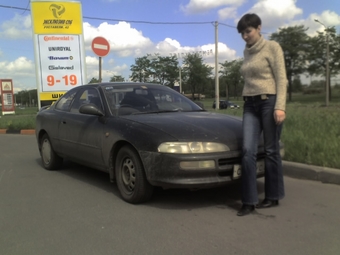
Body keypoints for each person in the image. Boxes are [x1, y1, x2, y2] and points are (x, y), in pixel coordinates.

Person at [236, 13, 287, 216]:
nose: (245, 36)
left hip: (269, 102)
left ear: (259, 28)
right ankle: (249, 201)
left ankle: (273, 196)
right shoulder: (246, 52)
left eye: (248, 31)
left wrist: (280, 106)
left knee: (271, 150)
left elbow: (281, 79)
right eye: (242, 33)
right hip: (250, 104)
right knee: (248, 150)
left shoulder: (272, 47)